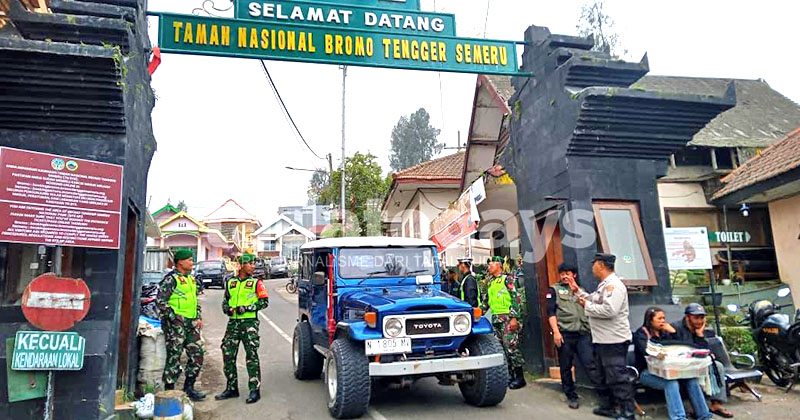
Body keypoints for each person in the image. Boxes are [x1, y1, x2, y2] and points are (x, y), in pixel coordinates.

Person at [576, 253, 635, 420]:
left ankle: (627, 412)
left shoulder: (614, 286)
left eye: (594, 264)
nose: (592, 268)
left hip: (613, 340)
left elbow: (609, 310)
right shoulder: (604, 285)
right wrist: (578, 292)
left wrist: (587, 305)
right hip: (602, 339)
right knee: (603, 376)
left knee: (618, 377)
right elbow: (592, 299)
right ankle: (608, 407)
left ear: (601, 265)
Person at [634, 307, 712, 420]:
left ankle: (704, 415)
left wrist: (673, 333)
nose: (663, 321)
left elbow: (681, 347)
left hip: (670, 370)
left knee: (692, 380)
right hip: (647, 372)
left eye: (664, 318)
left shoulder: (665, 332)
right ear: (650, 320)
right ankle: (678, 417)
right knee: (671, 383)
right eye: (659, 318)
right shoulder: (641, 333)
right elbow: (646, 351)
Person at [215, 254, 270, 404]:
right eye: (250, 264)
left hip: (249, 323)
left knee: (251, 355)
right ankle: (232, 388)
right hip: (233, 323)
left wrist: (247, 307)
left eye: (254, 263)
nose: (253, 266)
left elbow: (264, 302)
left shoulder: (256, 283)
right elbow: (225, 302)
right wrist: (228, 309)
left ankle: (254, 389)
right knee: (228, 353)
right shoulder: (231, 282)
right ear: (241, 265)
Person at [546, 263, 602, 409]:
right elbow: (551, 313)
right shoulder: (553, 290)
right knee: (565, 366)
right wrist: (556, 333)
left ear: (574, 275)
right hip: (565, 333)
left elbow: (590, 307)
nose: (565, 276)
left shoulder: (581, 291)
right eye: (562, 273)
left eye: (568, 273)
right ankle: (571, 396)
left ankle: (604, 396)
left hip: (583, 333)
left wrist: (577, 292)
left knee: (590, 364)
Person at [156, 249, 206, 401]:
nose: (192, 263)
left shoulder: (191, 279)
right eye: (189, 260)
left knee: (197, 354)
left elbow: (194, 300)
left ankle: (189, 388)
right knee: (174, 357)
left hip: (191, 324)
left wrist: (198, 316)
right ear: (180, 262)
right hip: (175, 326)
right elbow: (160, 302)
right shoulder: (171, 279)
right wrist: (174, 318)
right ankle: (169, 391)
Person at [673, 303, 734, 418]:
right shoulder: (676, 328)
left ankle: (716, 403)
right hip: (681, 365)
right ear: (687, 317)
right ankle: (698, 408)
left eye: (702, 318)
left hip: (697, 363)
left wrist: (700, 335)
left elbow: (704, 349)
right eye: (696, 318)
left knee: (718, 366)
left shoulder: (699, 330)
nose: (699, 321)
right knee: (695, 376)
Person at [481, 256, 526, 389]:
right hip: (497, 319)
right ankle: (510, 375)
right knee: (502, 349)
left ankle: (520, 377)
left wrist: (514, 317)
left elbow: (515, 297)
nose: (489, 266)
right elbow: (486, 302)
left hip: (508, 318)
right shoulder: (491, 282)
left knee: (511, 347)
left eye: (492, 264)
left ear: (499, 265)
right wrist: (478, 313)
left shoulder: (508, 279)